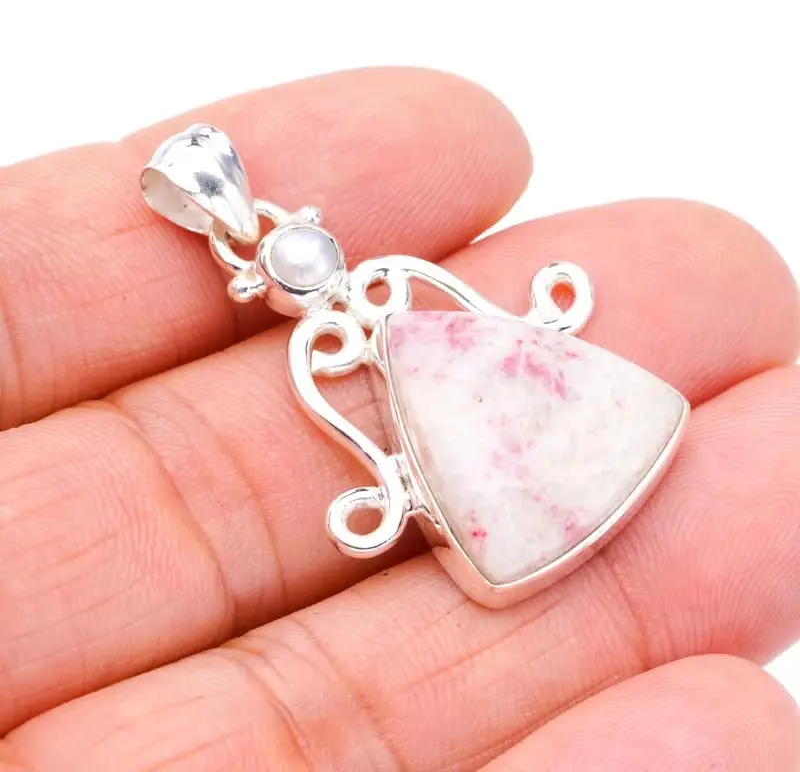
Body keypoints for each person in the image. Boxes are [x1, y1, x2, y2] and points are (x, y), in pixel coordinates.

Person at [0, 68, 797, 771]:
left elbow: (480, 312)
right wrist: (394, 484)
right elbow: (358, 434)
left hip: (592, 422)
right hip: (496, 495)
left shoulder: (388, 292)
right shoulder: (321, 345)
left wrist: (538, 328)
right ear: (262, 285)